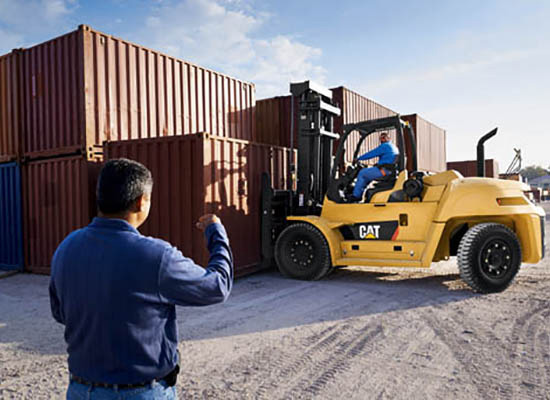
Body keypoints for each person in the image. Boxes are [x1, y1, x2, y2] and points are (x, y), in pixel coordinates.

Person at [49, 158, 233, 399]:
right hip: (140, 392)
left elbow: (60, 313)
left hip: (81, 390)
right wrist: (216, 233)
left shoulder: (66, 248)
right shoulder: (157, 257)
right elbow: (218, 286)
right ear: (140, 202)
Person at [349, 132, 399, 202]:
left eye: (384, 137)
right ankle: (359, 194)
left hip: (384, 171)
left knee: (362, 173)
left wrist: (359, 158)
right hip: (388, 171)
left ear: (388, 138)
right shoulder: (394, 147)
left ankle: (356, 196)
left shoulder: (385, 146)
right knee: (367, 176)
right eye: (381, 137)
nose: (382, 139)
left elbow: (372, 153)